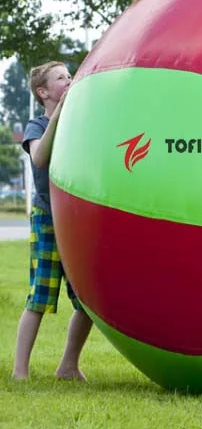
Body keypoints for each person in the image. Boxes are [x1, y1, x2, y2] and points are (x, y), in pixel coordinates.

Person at [12, 61, 93, 381]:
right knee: (40, 296)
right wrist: (58, 114)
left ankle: (68, 366)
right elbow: (40, 157)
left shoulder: (80, 124)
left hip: (76, 221)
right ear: (43, 92)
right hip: (48, 218)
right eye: (61, 78)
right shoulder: (37, 125)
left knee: (87, 299)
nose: (69, 80)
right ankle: (20, 371)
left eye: (70, 75)